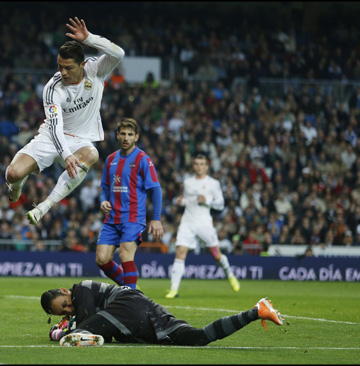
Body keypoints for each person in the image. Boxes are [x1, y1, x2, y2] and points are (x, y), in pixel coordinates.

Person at [5, 17, 125, 225]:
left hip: (80, 139)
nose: (63, 72)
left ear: (82, 64)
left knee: (92, 153)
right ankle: (16, 186)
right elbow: (55, 126)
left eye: (69, 67)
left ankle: (44, 207)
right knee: (13, 173)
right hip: (52, 137)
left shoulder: (96, 70)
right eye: (60, 66)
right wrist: (66, 154)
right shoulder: (53, 89)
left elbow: (119, 53)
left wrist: (89, 38)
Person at [40, 280, 285, 347]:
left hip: (127, 305)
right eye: (64, 311)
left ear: (64, 291)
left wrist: (59, 331)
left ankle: (72, 336)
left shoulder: (81, 288)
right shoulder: (81, 301)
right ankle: (256, 311)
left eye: (65, 304)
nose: (69, 308)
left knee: (77, 334)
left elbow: (86, 320)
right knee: (198, 338)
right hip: (144, 308)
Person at [96, 118, 164, 289]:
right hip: (112, 218)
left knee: (125, 255)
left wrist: (156, 219)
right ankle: (131, 289)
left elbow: (156, 189)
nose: (126, 138)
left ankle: (130, 300)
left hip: (133, 218)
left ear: (136, 137)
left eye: (130, 135)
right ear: (118, 136)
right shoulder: (111, 159)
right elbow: (104, 186)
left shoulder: (143, 159)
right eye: (123, 134)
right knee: (102, 259)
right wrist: (103, 200)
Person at [166, 154, 240, 298]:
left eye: (202, 164)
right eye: (197, 163)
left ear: (207, 166)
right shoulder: (187, 182)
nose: (199, 166)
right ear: (193, 166)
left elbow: (221, 204)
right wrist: (180, 201)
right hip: (187, 222)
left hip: (204, 223)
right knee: (180, 252)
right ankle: (173, 289)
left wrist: (207, 200)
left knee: (216, 255)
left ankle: (230, 274)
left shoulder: (213, 183)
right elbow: (187, 199)